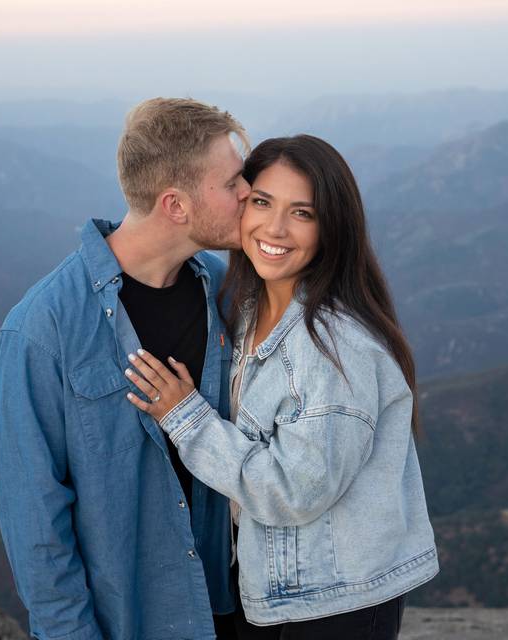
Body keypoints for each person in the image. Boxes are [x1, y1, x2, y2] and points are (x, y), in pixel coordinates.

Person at [124, 134, 439, 638]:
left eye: (302, 213)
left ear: (331, 229)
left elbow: (294, 491)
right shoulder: (248, 308)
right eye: (262, 202)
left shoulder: (335, 347)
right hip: (276, 588)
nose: (274, 228)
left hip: (332, 604)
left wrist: (186, 417)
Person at [0, 97, 252, 640]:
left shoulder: (222, 290)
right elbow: (36, 520)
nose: (247, 194)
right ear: (176, 205)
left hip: (226, 610)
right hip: (129, 622)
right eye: (232, 184)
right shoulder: (43, 328)